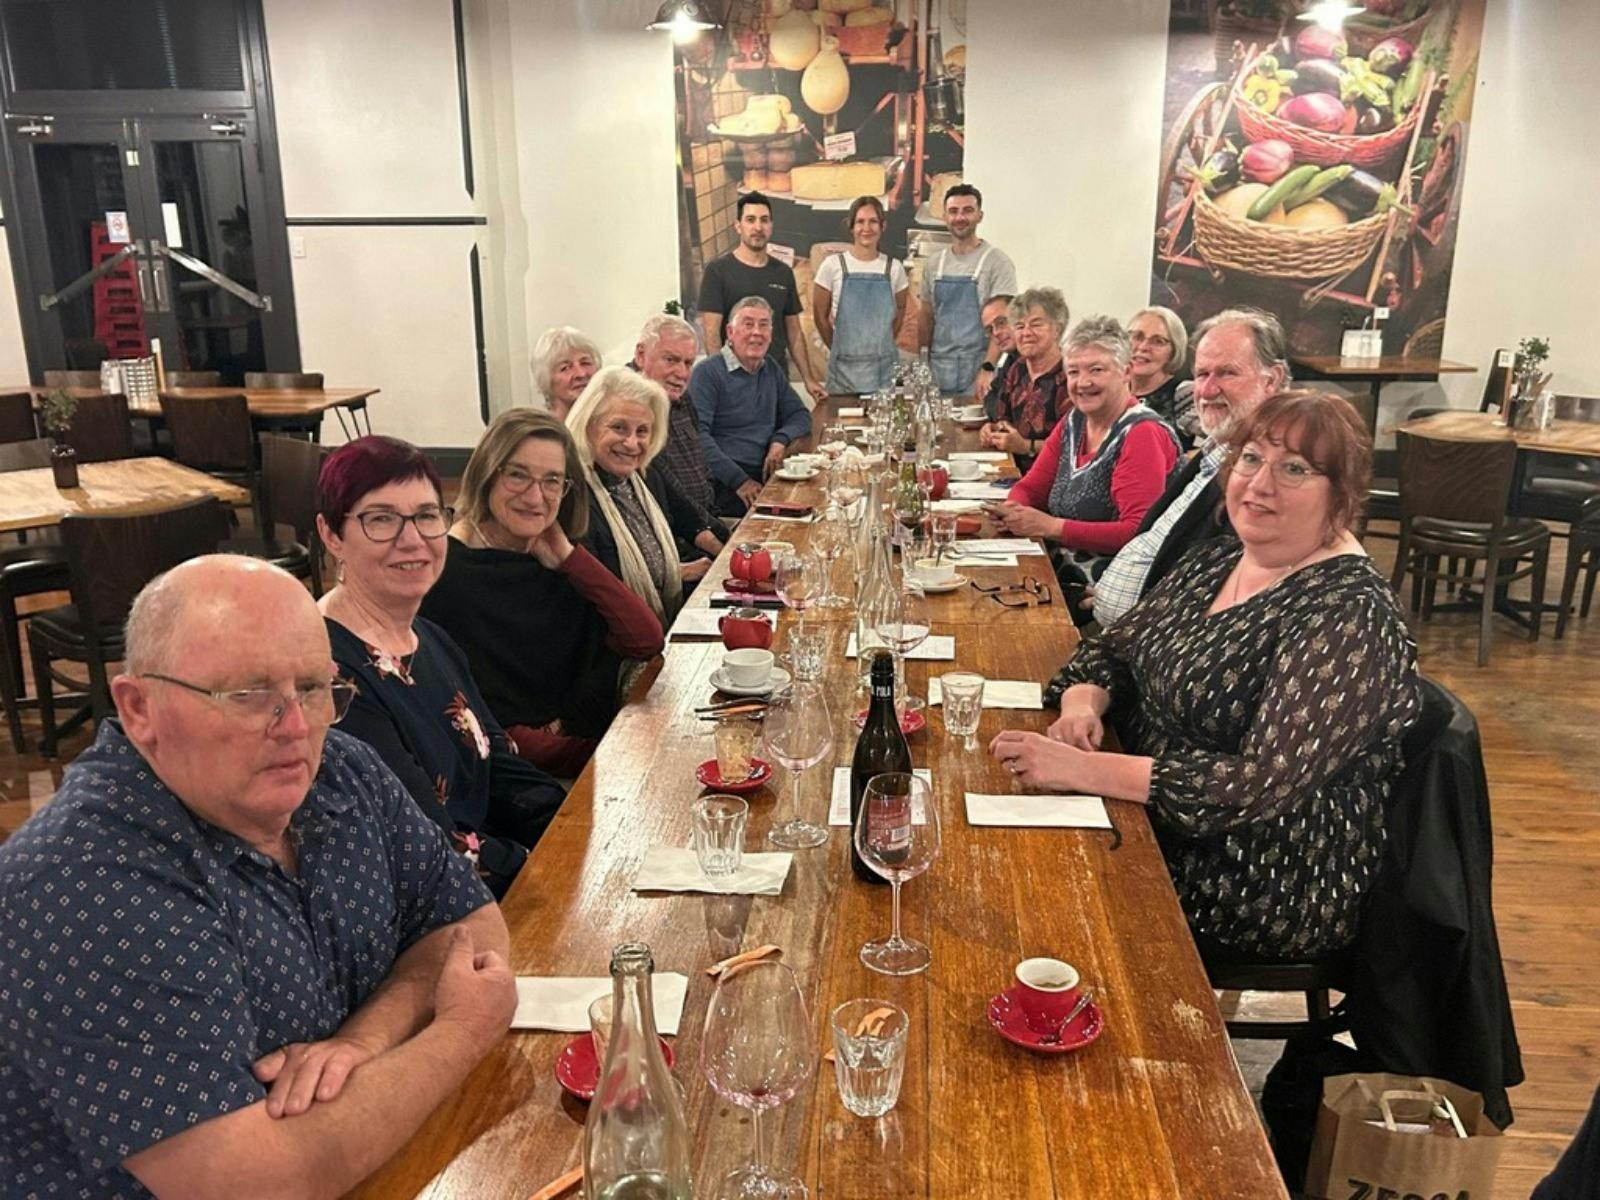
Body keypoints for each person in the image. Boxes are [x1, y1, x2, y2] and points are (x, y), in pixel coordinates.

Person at [0, 555, 517, 1197]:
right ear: (139, 709)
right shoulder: (81, 883)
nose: (296, 727)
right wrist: (461, 1032)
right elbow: (253, 1182)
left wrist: (363, 1042)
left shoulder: (342, 771)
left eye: (312, 687)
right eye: (247, 696)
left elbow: (471, 930)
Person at [992, 392, 1420, 962]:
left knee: (1021, 893)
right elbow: (1111, 651)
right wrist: (1081, 709)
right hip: (1151, 819)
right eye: (1250, 459)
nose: (1260, 484)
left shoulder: (1349, 613)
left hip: (1256, 874)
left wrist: (1086, 769)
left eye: (1294, 468)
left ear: (1342, 496)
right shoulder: (1217, 560)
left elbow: (1254, 786)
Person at [316, 436, 567, 897]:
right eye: (381, 519)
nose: (412, 540)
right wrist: (547, 868)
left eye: (427, 516)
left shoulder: (430, 639)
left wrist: (574, 824)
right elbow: (423, 842)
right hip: (429, 912)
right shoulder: (330, 675)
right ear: (332, 535)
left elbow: (497, 765)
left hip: (490, 878)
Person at [421, 409, 664, 777]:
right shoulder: (448, 575)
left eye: (552, 481)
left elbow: (645, 637)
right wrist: (611, 755)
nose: (535, 497)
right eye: (518, 475)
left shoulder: (554, 557)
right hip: (523, 773)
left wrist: (569, 557)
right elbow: (487, 728)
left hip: (589, 745)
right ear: (488, 473)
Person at [1090, 306, 1290, 627]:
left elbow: (1221, 610)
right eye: (1201, 375)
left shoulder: (1268, 474)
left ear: (1272, 380)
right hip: (1114, 623)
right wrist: (1109, 584)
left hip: (1147, 650)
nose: (1208, 390)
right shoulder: (1216, 448)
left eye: (1227, 373)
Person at [992, 316, 1179, 608]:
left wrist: (1051, 527)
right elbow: (1032, 488)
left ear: (1126, 372)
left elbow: (1137, 531)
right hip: (1054, 572)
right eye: (1074, 372)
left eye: (1097, 370)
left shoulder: (1142, 434)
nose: (1083, 382)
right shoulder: (1075, 420)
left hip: (1103, 591)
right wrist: (1013, 511)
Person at [568, 366, 721, 621]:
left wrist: (729, 554)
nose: (631, 443)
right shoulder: (573, 495)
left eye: (642, 431)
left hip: (666, 621)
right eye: (618, 427)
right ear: (588, 426)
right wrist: (679, 572)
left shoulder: (644, 476)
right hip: (616, 645)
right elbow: (600, 592)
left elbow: (689, 515)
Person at [688, 295, 813, 516]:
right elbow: (699, 439)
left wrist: (779, 440)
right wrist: (740, 482)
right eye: (748, 324)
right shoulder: (707, 373)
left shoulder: (770, 369)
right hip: (726, 484)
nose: (757, 332)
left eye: (763, 325)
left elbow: (800, 414)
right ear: (730, 332)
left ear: (771, 334)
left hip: (766, 474)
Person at [697, 190, 827, 403]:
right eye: (750, 220)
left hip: (775, 382)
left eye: (764, 220)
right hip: (735, 384)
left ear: (771, 226)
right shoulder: (718, 271)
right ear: (738, 226)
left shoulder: (783, 272)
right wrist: (722, 380)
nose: (758, 227)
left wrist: (809, 379)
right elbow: (711, 333)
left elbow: (793, 332)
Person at [916, 183, 1018, 396]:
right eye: (953, 211)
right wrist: (922, 363)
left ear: (980, 215)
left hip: (978, 371)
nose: (960, 217)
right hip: (938, 370)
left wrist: (988, 367)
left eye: (967, 211)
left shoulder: (997, 262)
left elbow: (1002, 325)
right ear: (945, 217)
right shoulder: (934, 264)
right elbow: (926, 317)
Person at [812, 194, 910, 395]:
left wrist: (883, 345)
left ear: (883, 227)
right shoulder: (832, 266)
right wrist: (839, 347)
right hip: (843, 374)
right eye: (860, 222)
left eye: (873, 221)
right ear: (851, 227)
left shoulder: (894, 268)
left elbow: (900, 312)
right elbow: (820, 316)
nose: (867, 228)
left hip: (885, 373)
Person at [979, 286, 1071, 473]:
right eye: (1019, 326)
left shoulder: (1071, 376)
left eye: (1036, 325)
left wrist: (1026, 447)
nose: (1026, 333)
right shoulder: (1017, 369)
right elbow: (1003, 419)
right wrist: (993, 429)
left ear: (1057, 330)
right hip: (1010, 472)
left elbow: (1075, 449)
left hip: (1051, 483)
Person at [1127, 305, 1195, 446]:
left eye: (1158, 341)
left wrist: (1188, 461)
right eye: (1137, 337)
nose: (1143, 347)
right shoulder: (1113, 389)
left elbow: (1227, 444)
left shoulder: (1184, 393)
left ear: (1173, 351)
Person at [531, 325, 601, 420]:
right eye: (565, 368)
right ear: (546, 380)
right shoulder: (543, 433)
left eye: (585, 363)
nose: (581, 374)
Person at [971, 292, 1016, 406]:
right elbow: (991, 400)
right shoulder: (1010, 361)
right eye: (990, 329)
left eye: (1001, 322)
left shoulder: (1034, 360)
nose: (996, 333)